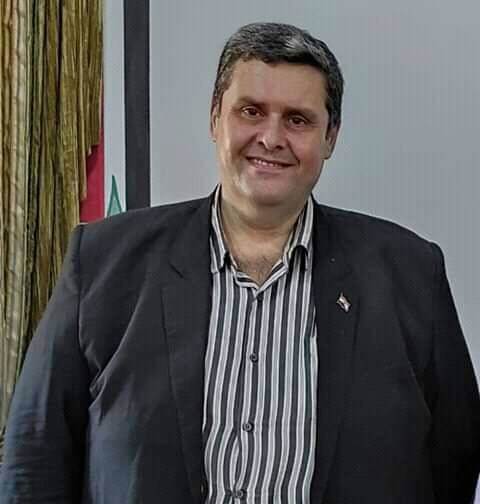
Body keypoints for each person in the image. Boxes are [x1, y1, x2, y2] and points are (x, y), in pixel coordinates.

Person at [0, 22, 479, 504]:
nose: (271, 138)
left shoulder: (411, 274)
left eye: (298, 120)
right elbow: (35, 455)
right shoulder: (104, 263)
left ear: (330, 138)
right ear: (215, 118)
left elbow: (454, 458)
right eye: (251, 111)